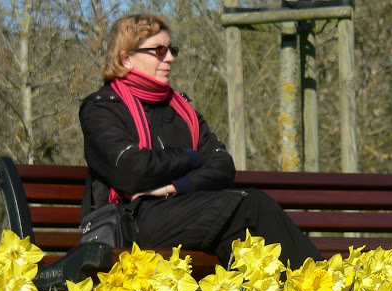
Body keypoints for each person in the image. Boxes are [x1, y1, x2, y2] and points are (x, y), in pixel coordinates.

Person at [79, 14, 323, 269]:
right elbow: (133, 169)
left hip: (189, 210)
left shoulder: (181, 109)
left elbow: (222, 167)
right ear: (126, 58)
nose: (170, 57)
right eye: (159, 50)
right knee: (250, 206)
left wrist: (174, 186)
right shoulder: (102, 109)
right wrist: (192, 157)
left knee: (247, 243)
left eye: (171, 49)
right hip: (135, 221)